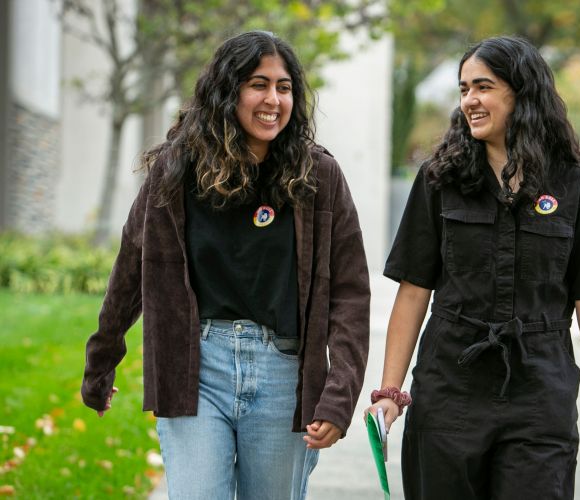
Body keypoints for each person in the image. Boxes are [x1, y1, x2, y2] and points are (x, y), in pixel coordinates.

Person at [81, 31, 370, 500]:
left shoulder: (319, 177)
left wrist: (340, 392)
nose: (273, 99)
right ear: (226, 91)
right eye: (258, 84)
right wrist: (101, 363)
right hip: (195, 368)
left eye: (284, 87)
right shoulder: (176, 172)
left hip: (284, 373)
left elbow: (351, 292)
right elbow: (131, 268)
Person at [366, 36, 580, 499]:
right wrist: (390, 392)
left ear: (521, 92)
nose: (470, 100)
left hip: (538, 396)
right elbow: (413, 292)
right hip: (449, 389)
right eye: (464, 88)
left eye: (483, 87)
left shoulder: (579, 187)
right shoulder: (438, 180)